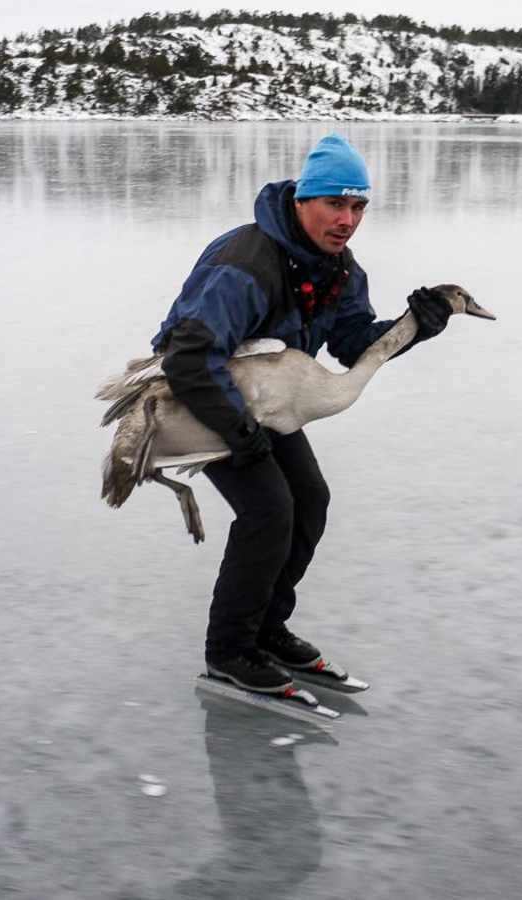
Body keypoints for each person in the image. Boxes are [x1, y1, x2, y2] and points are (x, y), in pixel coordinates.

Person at [150, 133, 456, 694]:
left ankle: (267, 628)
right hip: (204, 396)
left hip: (267, 399)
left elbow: (350, 341)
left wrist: (414, 326)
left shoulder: (336, 268)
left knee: (309, 499)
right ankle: (230, 650)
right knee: (269, 510)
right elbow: (188, 357)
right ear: (302, 201)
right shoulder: (245, 265)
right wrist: (237, 429)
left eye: (358, 206)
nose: (347, 219)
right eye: (335, 204)